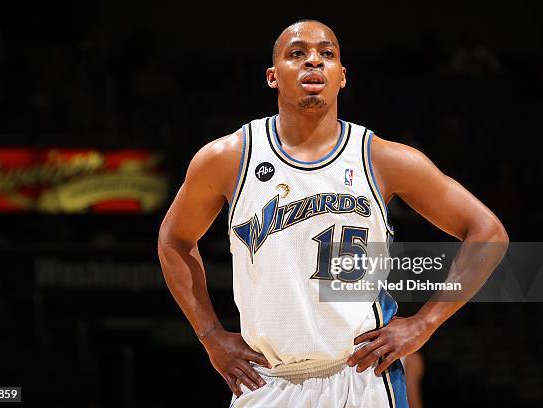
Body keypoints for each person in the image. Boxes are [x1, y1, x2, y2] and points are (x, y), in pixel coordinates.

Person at [157, 19, 508, 407]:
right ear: (272, 77)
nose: (314, 62)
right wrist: (210, 336)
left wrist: (424, 324)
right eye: (297, 54)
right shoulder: (227, 158)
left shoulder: (384, 159)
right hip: (269, 380)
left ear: (342, 76)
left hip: (362, 377)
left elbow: (488, 233)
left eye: (327, 54)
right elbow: (174, 239)